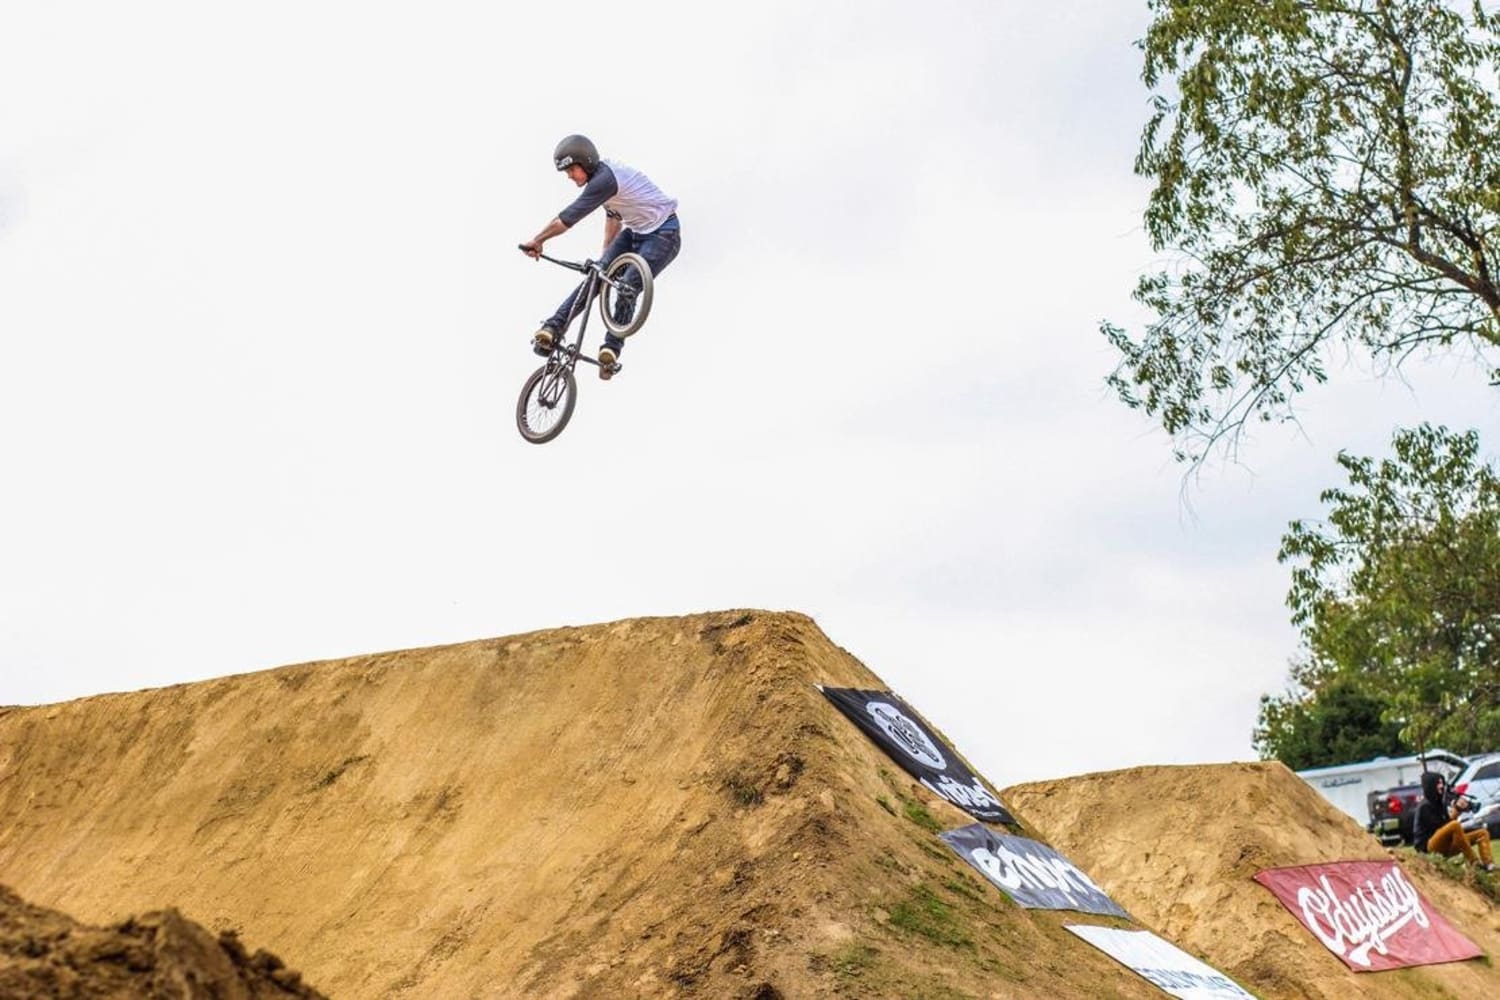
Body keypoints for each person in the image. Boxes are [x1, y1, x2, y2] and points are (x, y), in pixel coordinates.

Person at [520, 135, 681, 380]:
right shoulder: (602, 182)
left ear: (585, 163)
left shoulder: (605, 180)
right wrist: (604, 260)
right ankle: (552, 328)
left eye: (572, 170)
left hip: (664, 233)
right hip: (635, 232)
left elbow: (566, 220)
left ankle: (611, 349)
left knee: (628, 285)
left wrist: (538, 240)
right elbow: (613, 217)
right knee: (595, 277)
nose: (570, 176)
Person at [1412, 771, 1494, 871]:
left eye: (1442, 783)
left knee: (1482, 833)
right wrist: (1455, 812)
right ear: (1431, 785)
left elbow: (1447, 825)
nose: (1442, 786)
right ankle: (1474, 862)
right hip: (1429, 848)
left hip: (1444, 844)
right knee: (1454, 825)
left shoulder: (1439, 803)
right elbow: (1441, 827)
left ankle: (1489, 865)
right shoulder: (1424, 806)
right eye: (1438, 783)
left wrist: (1458, 810)